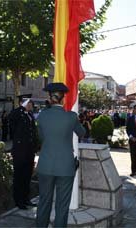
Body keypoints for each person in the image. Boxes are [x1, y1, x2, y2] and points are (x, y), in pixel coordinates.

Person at [36, 83, 85, 228]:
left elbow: (41, 138)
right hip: (65, 167)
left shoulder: (42, 115)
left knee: (44, 202)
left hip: (45, 165)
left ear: (50, 98)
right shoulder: (71, 116)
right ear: (63, 98)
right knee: (62, 206)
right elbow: (82, 133)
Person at [9, 96, 37, 210]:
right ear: (23, 103)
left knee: (27, 176)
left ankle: (26, 198)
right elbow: (11, 121)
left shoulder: (29, 115)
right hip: (20, 151)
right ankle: (18, 201)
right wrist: (21, 107)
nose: (31, 105)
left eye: (31, 103)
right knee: (19, 176)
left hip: (29, 151)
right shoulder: (17, 113)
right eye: (29, 103)